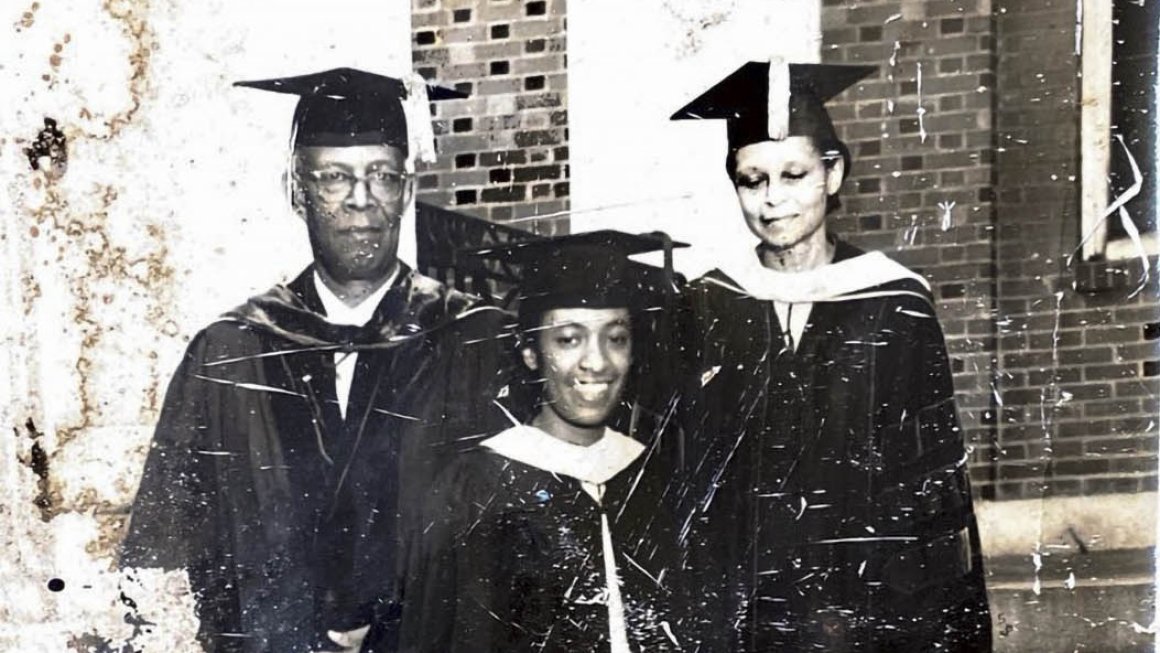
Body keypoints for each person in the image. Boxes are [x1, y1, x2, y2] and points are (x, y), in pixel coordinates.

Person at [119, 68, 511, 652]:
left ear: (405, 191)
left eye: (382, 175)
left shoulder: (474, 338)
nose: (362, 199)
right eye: (335, 177)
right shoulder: (230, 351)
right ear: (298, 193)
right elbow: (164, 548)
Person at [669, 61, 992, 651]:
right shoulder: (707, 303)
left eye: (793, 175)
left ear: (833, 173)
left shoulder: (894, 303)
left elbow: (935, 482)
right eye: (752, 180)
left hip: (869, 602)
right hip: (745, 608)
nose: (772, 201)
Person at [397, 231, 691, 652]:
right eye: (568, 339)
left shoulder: (650, 476)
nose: (597, 362)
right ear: (530, 353)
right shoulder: (475, 488)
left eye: (616, 338)